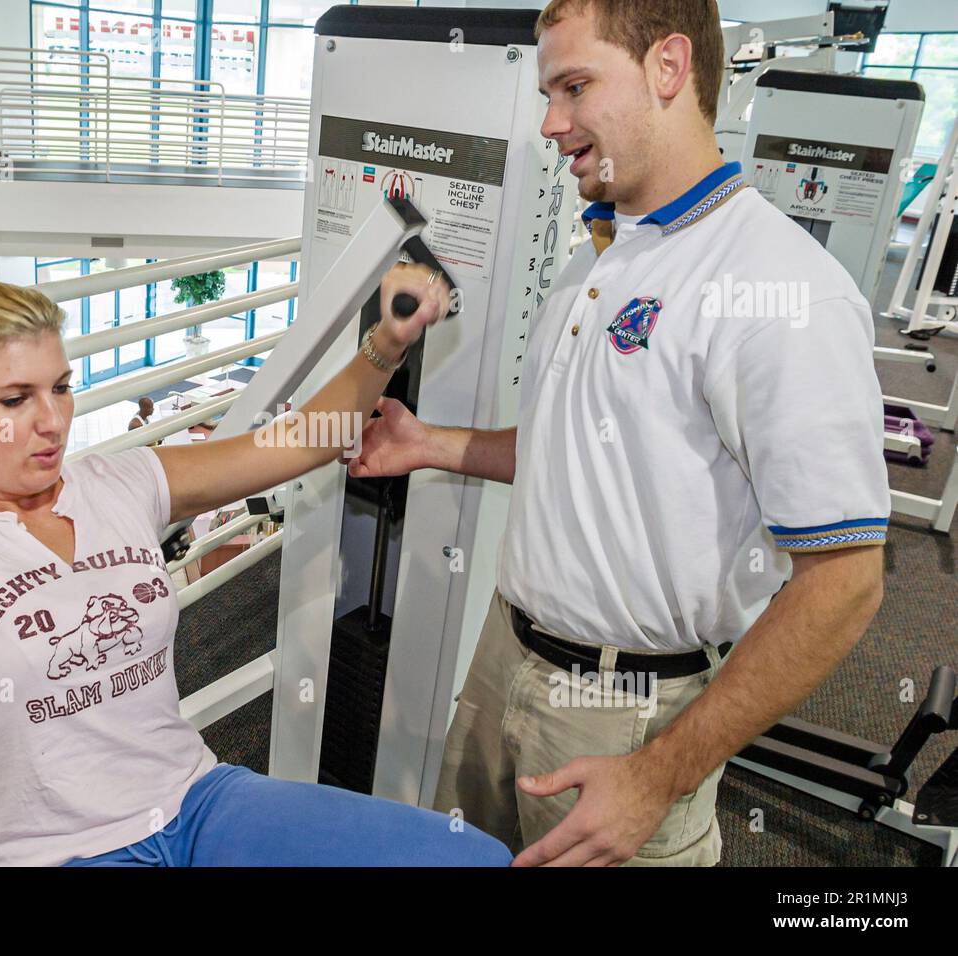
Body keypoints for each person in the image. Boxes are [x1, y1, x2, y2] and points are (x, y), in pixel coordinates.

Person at [0, 272, 510, 867]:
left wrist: (386, 341)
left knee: (471, 858)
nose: (51, 424)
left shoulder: (122, 482)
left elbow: (300, 441)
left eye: (62, 389)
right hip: (51, 850)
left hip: (198, 802)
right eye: (13, 400)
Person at [349, 0, 887, 866]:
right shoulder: (605, 248)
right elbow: (585, 451)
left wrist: (658, 774)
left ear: (669, 68)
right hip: (503, 660)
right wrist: (432, 444)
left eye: (574, 86)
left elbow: (846, 584)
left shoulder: (783, 291)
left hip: (631, 707)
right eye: (547, 92)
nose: (552, 124)